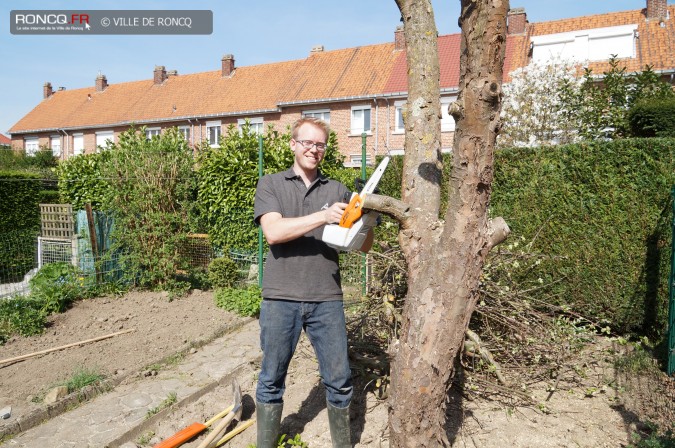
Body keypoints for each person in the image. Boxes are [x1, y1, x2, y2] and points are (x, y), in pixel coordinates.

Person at [253, 117, 373, 448]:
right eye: (307, 142)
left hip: (326, 298)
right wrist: (322, 216)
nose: (314, 150)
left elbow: (365, 245)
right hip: (280, 298)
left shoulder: (337, 190)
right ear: (293, 144)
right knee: (271, 379)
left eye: (320, 144)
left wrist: (364, 222)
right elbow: (274, 233)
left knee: (339, 380)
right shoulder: (271, 185)